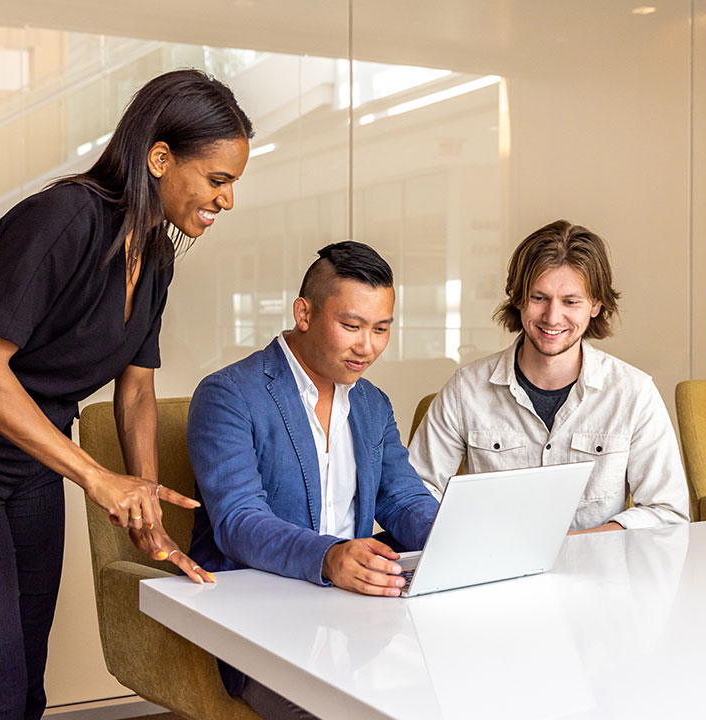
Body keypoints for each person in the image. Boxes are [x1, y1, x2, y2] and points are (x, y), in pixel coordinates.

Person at [0, 69, 252, 720]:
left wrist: (144, 504)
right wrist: (99, 479)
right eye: (218, 180)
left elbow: (136, 389)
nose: (227, 201)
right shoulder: (59, 220)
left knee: (26, 686)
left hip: (35, 470)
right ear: (160, 158)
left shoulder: (156, 256)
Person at [187, 241, 439, 719]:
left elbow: (403, 499)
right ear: (304, 313)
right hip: (258, 619)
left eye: (382, 329)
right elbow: (239, 521)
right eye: (351, 326)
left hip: (358, 617)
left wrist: (459, 536)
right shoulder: (228, 395)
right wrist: (327, 557)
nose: (368, 346)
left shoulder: (371, 403)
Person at [409, 219, 689, 532]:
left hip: (598, 572)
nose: (552, 317)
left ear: (595, 305)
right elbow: (416, 494)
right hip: (493, 571)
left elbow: (668, 513)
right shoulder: (466, 389)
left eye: (571, 301)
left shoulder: (634, 392)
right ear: (517, 298)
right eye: (539, 298)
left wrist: (575, 544)